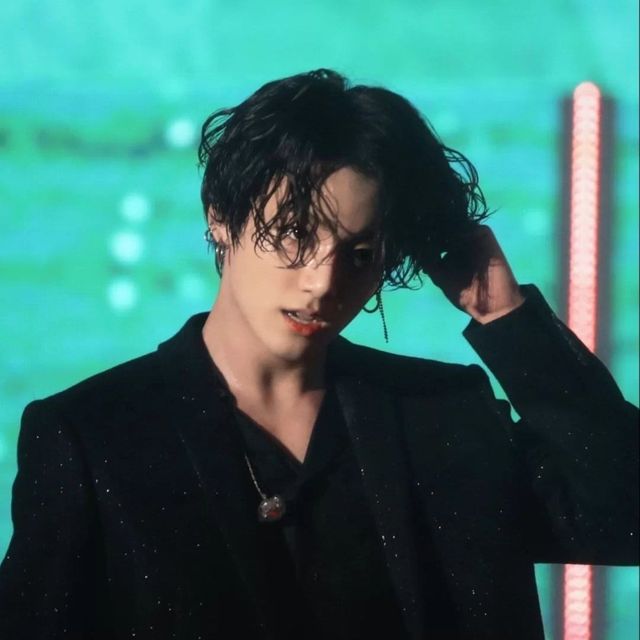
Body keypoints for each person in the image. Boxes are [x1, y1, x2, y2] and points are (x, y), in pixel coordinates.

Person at [0, 69, 637, 640]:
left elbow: (623, 513)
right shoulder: (92, 437)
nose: (322, 282)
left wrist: (507, 318)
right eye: (293, 235)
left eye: (358, 254)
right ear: (221, 216)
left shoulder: (443, 415)